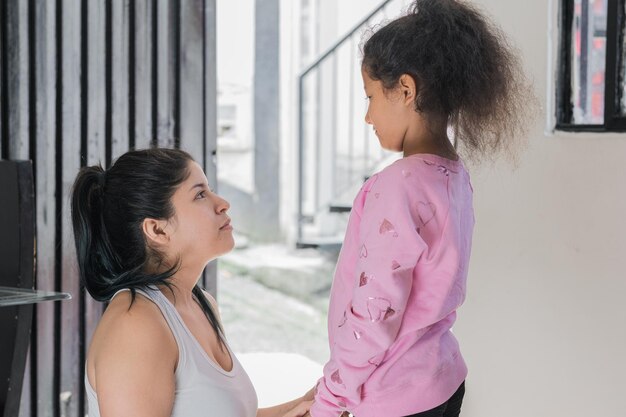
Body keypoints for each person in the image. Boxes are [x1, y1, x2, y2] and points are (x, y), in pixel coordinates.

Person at [309, 1, 532, 416]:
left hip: (392, 397)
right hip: (442, 379)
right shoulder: (453, 175)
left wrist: (330, 397)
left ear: (406, 90)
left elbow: (375, 312)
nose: (367, 116)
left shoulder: (397, 186)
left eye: (371, 96)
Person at [71, 148, 313, 417]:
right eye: (200, 194)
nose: (222, 203)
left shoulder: (201, 304)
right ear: (158, 229)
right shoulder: (137, 324)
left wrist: (311, 403)